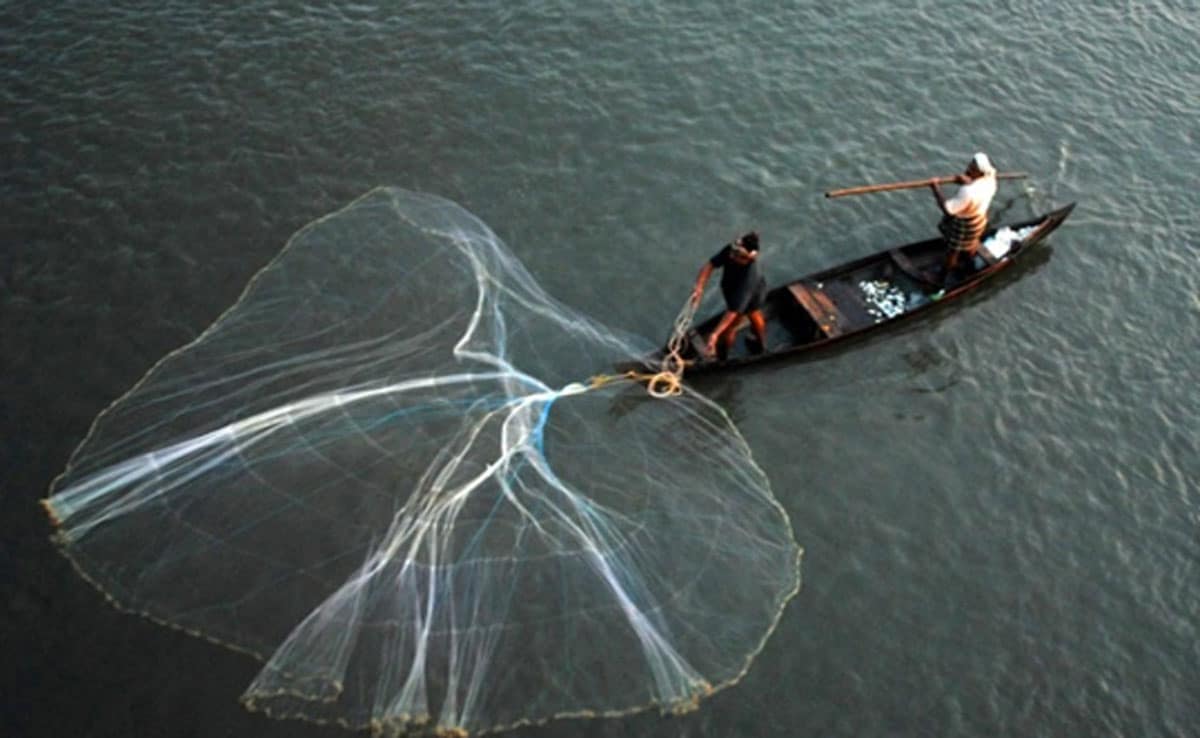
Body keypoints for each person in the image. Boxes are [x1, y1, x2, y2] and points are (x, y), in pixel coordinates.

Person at [690, 231, 768, 357]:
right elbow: (710, 265)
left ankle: (723, 356)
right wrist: (699, 287)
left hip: (751, 294)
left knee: (729, 328)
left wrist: (715, 334)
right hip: (733, 291)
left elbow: (733, 311)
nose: (731, 256)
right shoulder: (732, 250)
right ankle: (760, 343)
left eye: (737, 255)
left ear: (747, 259)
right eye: (733, 252)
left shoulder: (748, 279)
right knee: (754, 313)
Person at [929, 152, 998, 281]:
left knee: (953, 251)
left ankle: (941, 278)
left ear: (979, 173)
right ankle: (969, 263)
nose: (968, 169)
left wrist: (935, 188)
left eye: (972, 169)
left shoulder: (968, 191)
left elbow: (948, 210)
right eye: (970, 166)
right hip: (979, 220)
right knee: (971, 242)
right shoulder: (991, 180)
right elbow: (977, 185)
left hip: (966, 223)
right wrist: (968, 181)